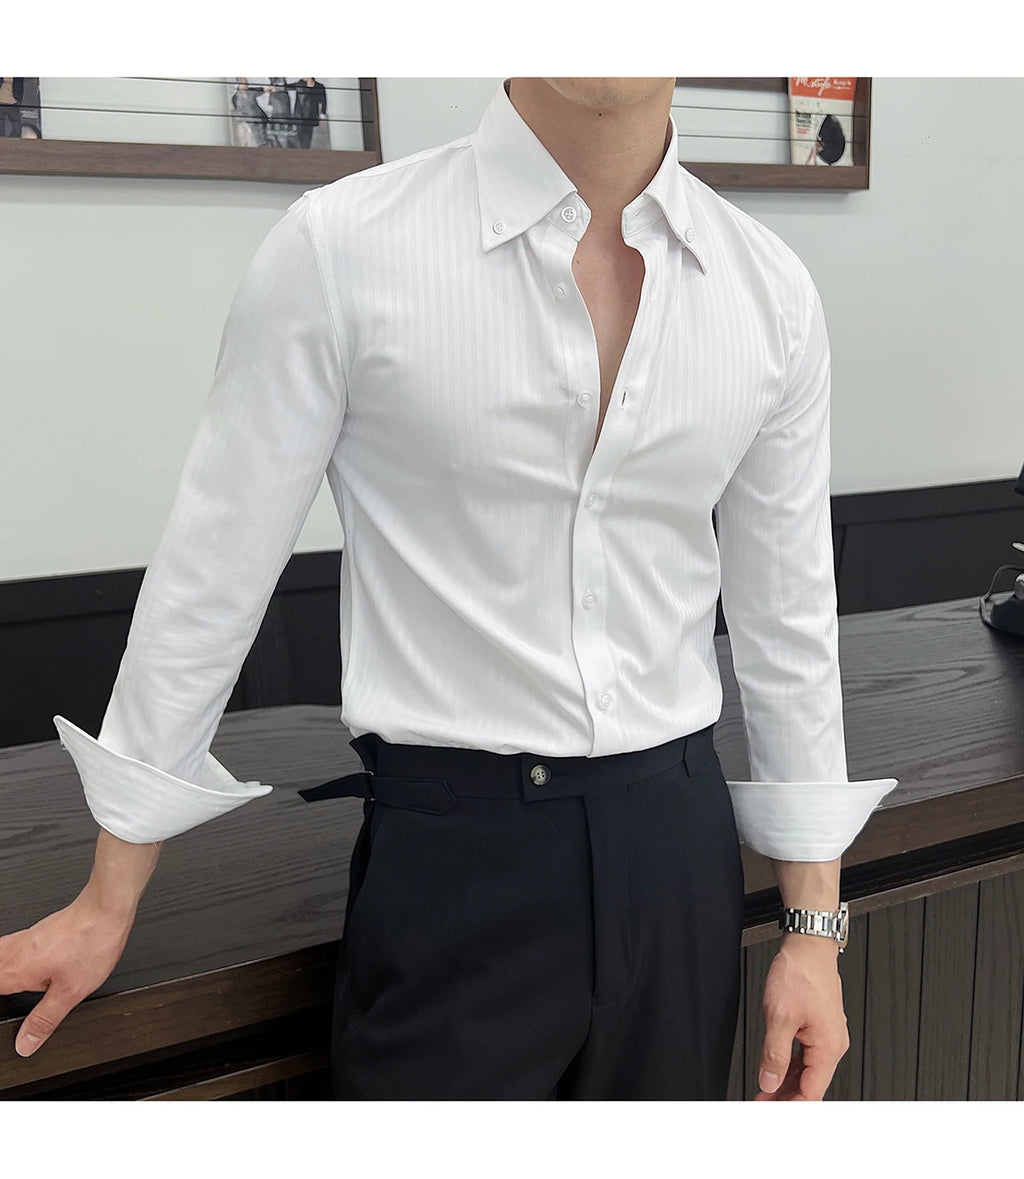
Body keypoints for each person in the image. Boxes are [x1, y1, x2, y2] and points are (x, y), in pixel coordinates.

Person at [1, 77, 898, 1100]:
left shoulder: (770, 289)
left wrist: (812, 928)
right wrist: (108, 896)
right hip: (454, 866)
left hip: (677, 858)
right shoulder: (343, 248)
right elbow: (212, 573)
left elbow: (789, 620)